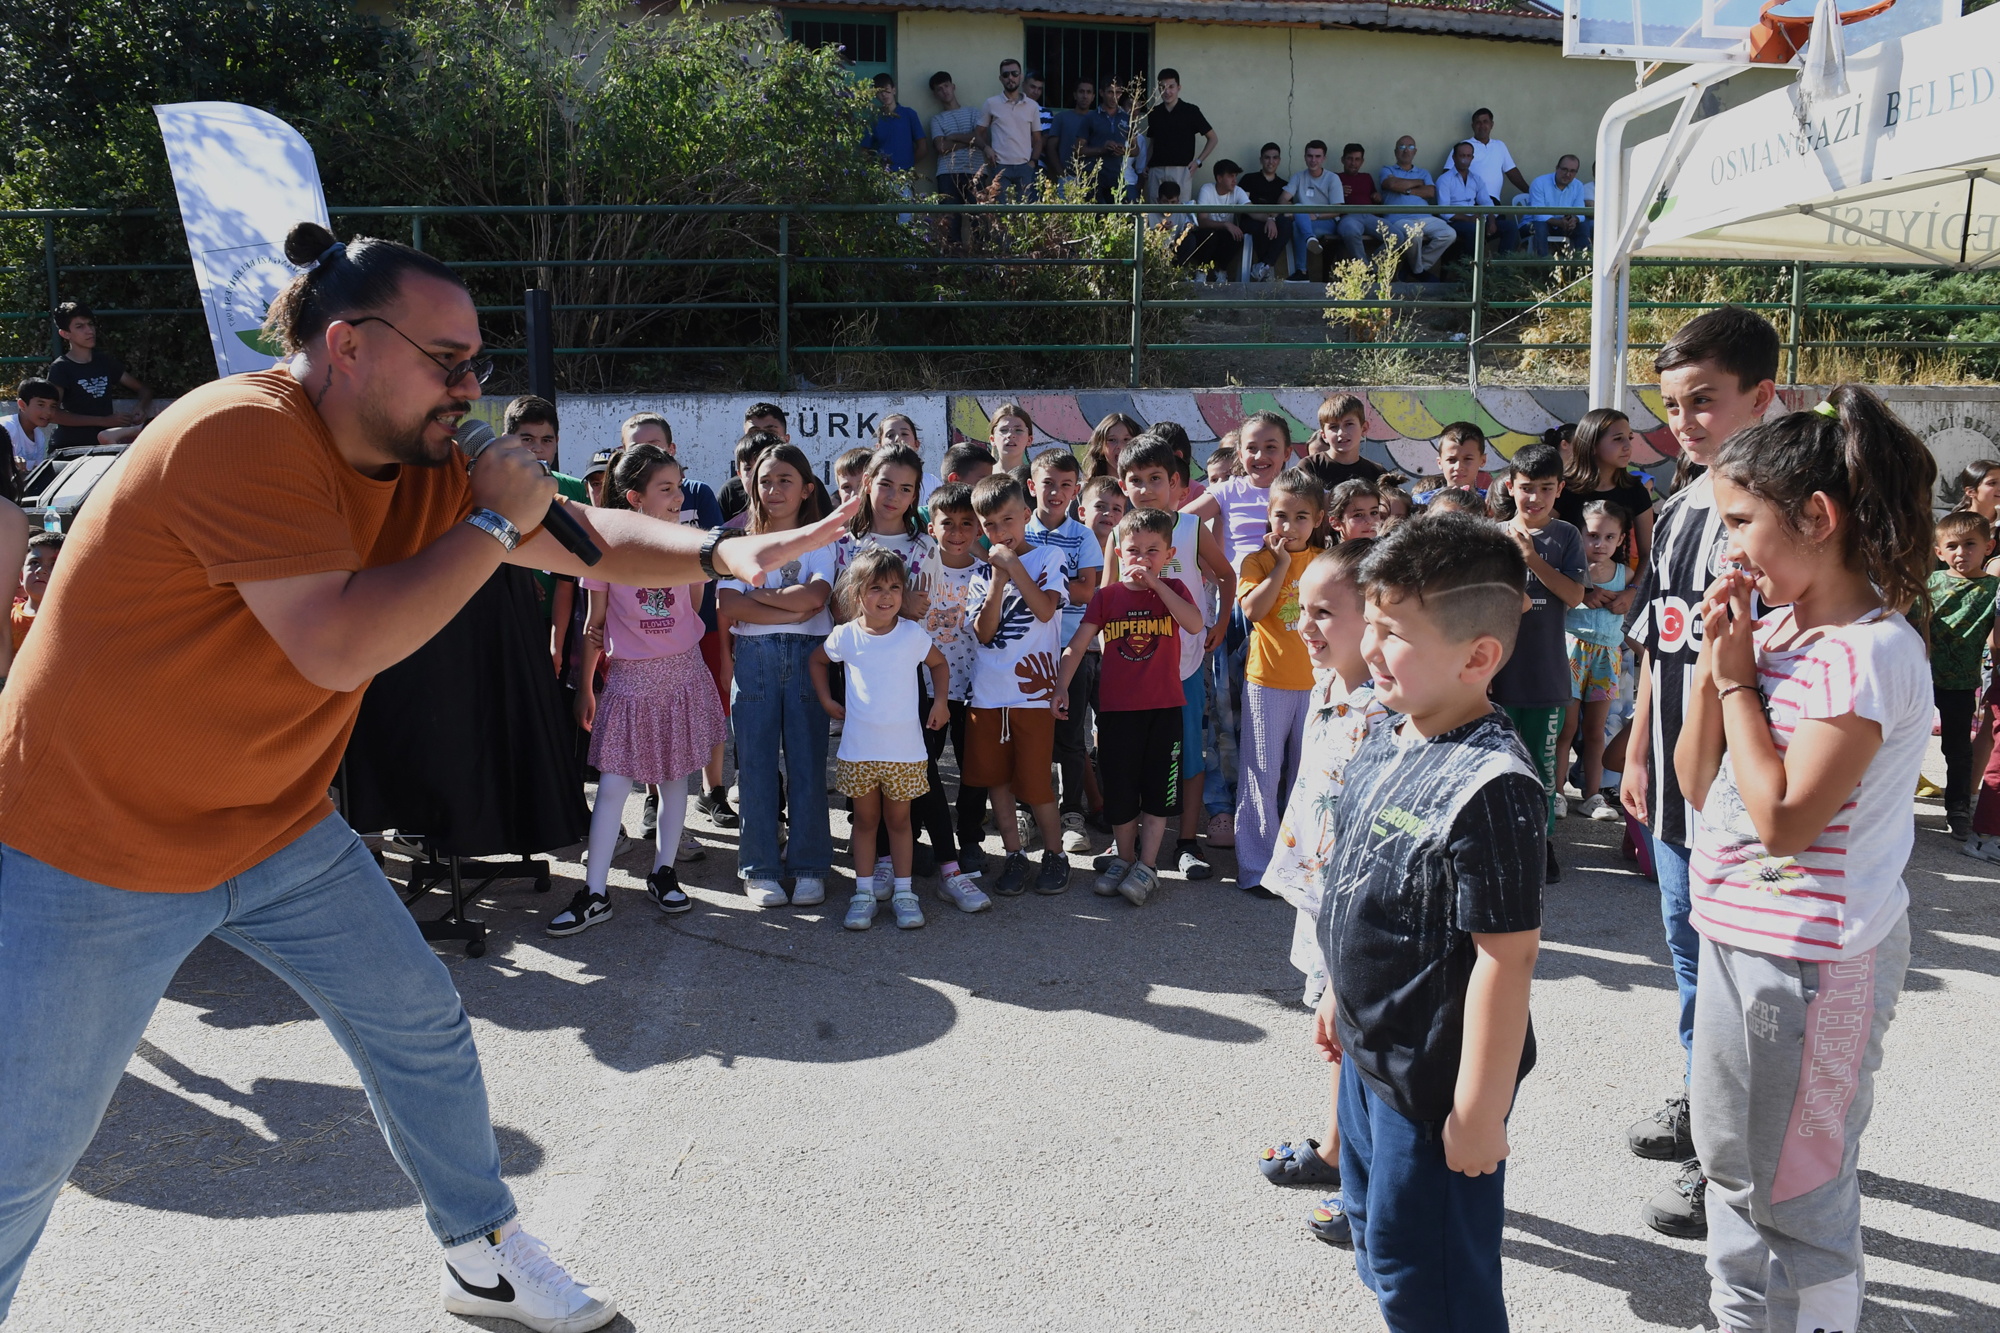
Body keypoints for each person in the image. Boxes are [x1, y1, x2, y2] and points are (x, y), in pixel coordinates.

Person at [0, 220, 856, 1332]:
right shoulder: (237, 434)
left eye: (478, 363)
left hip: (269, 827)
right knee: (29, 1145)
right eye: (447, 360)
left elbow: (576, 531)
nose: (470, 385)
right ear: (348, 344)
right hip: (88, 840)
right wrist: (497, 514)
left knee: (418, 1023)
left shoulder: (423, 457)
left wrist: (716, 554)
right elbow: (341, 643)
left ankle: (481, 1255)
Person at [1673, 387, 1933, 1333]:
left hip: (1815, 964)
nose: (1727, 544)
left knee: (1803, 1185)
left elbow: (1783, 821)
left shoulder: (1868, 655)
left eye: (1739, 521)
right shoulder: (1774, 632)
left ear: (1816, 518)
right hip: (1739, 940)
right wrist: (1716, 664)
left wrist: (1738, 681)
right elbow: (1699, 779)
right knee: (1733, 1167)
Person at [1313, 512, 1543, 1326]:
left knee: (1435, 1279)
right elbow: (1362, 877)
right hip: (1371, 1063)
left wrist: (1478, 1113)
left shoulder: (1495, 785)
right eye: (1369, 623)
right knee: (1381, 1246)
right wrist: (1342, 992)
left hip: (1435, 1090)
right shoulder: (1389, 726)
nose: (1370, 647)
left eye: (1395, 632)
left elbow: (1505, 959)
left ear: (1479, 656)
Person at [1619, 304, 1780, 1240]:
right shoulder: (1678, 508)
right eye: (1673, 403)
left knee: (1740, 985)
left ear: (1765, 396)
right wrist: (1637, 747)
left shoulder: (1793, 520)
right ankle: (1700, 1100)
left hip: (1750, 799)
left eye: (1705, 401)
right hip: (1680, 791)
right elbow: (1658, 642)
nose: (1685, 421)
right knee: (1690, 963)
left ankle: (1729, 1162)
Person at [1254, 539, 1386, 1247]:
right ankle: (1339, 1154)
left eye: (1323, 612)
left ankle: (1364, 1188)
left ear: (1376, 616)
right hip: (1319, 899)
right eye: (1301, 609)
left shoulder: (1378, 711)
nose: (1304, 625)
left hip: (1352, 911)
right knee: (1338, 1044)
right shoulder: (1329, 681)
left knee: (1357, 1045)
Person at [557, 443, 728, 935]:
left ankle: (664, 872)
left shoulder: (689, 545)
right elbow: (594, 626)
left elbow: (693, 611)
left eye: (678, 486)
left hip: (681, 674)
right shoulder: (601, 548)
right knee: (613, 786)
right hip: (629, 681)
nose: (678, 498)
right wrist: (586, 686)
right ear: (635, 497)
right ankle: (594, 892)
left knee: (676, 779)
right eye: (667, 489)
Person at [1053, 506, 1203, 905]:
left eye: (1153, 550)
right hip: (1117, 713)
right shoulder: (1107, 597)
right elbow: (1078, 644)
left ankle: (1148, 866)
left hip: (1164, 709)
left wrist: (1158, 586)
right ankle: (1123, 858)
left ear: (1168, 555)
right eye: (1134, 550)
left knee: (1157, 793)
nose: (1143, 558)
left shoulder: (1175, 593)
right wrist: (1061, 687)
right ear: (1119, 554)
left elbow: (1193, 623)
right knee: (1120, 791)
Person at [718, 440, 840, 910]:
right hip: (754, 659)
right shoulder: (736, 543)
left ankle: (809, 867)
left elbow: (816, 599)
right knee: (755, 768)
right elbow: (728, 605)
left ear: (807, 487)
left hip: (811, 657)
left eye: (784, 480)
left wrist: (761, 599)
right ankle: (760, 868)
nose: (773, 488)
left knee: (809, 765)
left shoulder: (821, 540)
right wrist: (788, 600)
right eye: (764, 480)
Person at [1113, 435, 1234, 878]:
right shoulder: (1121, 537)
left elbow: (1225, 575)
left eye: (1156, 479)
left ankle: (1186, 840)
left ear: (1176, 483)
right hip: (1135, 669)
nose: (1146, 488)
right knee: (1136, 755)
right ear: (1123, 485)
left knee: (1190, 755)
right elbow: (1109, 597)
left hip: (1184, 665)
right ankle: (1127, 839)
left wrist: (1219, 623)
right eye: (1136, 480)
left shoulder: (1189, 528)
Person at [813, 548, 952, 931]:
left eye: (894, 586)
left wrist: (940, 703)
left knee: (900, 822)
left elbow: (939, 664)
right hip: (859, 753)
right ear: (857, 595)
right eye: (876, 588)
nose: (887, 595)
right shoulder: (846, 637)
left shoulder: (911, 634)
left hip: (905, 754)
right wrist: (827, 700)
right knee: (865, 823)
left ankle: (905, 894)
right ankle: (863, 894)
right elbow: (817, 661)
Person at [620, 412, 735, 833]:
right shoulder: (623, 508)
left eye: (655, 443)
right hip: (649, 633)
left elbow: (712, 546)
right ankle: (654, 797)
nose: (646, 450)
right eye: (635, 446)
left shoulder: (700, 493)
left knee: (711, 706)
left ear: (672, 449)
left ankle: (713, 789)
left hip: (699, 622)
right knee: (655, 715)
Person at [965, 473, 1069, 895]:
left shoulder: (1048, 558)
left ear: (1026, 516)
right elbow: (985, 633)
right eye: (989, 526)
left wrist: (1013, 566)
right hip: (989, 696)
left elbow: (1046, 610)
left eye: (1007, 521)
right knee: (998, 783)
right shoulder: (979, 575)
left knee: (1036, 783)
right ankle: (1014, 854)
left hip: (1033, 695)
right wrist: (997, 579)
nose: (999, 532)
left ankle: (1055, 853)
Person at [1488, 442, 1585, 874]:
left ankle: (1541, 843)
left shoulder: (1567, 536)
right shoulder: (1493, 535)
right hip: (1500, 676)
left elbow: (1575, 595)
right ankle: (1502, 840)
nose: (1535, 497)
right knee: (1500, 764)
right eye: (1526, 488)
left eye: (1546, 488)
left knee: (1544, 768)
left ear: (1559, 489)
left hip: (1547, 678)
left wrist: (1532, 560)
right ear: (1511, 486)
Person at [1233, 470, 1328, 896]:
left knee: (1307, 777)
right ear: (1268, 516)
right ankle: (1256, 868)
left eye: (1301, 517)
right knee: (1262, 775)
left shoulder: (1327, 561)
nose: (1289, 527)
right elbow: (1253, 611)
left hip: (1316, 683)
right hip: (1267, 683)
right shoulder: (1257, 561)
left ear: (1319, 518)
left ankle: (1301, 863)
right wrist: (1284, 565)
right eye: (1281, 516)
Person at [917, 482, 998, 891]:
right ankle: (918, 839)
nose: (957, 532)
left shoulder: (987, 570)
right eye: (947, 523)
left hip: (976, 686)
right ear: (932, 526)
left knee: (974, 770)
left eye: (967, 523)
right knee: (923, 766)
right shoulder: (919, 568)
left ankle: (969, 840)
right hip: (928, 687)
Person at [1025, 449, 1105, 850]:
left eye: (1065, 485)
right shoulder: (1019, 531)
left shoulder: (1083, 535)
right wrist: (1057, 585)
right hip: (1025, 652)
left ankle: (1072, 813)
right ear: (1031, 486)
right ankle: (1028, 809)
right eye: (1047, 484)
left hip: (1073, 651)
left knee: (1072, 738)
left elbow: (1087, 591)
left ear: (1076, 491)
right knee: (1030, 735)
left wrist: (1037, 584)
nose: (1055, 492)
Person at [1557, 500, 1635, 823]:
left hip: (1607, 657)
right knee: (1566, 727)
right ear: (1580, 535)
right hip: (1573, 652)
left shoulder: (1626, 575)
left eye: (1609, 537)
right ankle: (1558, 792)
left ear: (1620, 540)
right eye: (1592, 536)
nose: (1599, 544)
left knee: (1596, 730)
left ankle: (1592, 795)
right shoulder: (1571, 572)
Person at [1928, 510, 1996, 841]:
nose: (1960, 553)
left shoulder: (1994, 591)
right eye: (1952, 546)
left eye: (1970, 544)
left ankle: (1958, 807)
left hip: (1961, 682)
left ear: (1988, 547)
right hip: (1920, 679)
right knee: (1903, 742)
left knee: (1957, 749)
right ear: (1939, 552)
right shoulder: (1931, 583)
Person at [1555, 407, 1655, 577]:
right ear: (1592, 445)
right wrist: (1582, 592)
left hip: (1619, 594)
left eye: (1629, 438)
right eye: (1618, 439)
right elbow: (1547, 549)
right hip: (1568, 593)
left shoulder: (1636, 491)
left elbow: (1648, 554)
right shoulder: (1562, 488)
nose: (1627, 446)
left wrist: (1632, 591)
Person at [45, 302, 152, 450]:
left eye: (90, 324)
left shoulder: (104, 362)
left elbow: (144, 390)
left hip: (104, 446)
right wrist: (103, 421)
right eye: (80, 326)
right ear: (65, 334)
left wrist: (141, 407)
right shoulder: (60, 368)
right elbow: (51, 413)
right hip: (70, 448)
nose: (89, 331)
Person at [1377, 137, 1457, 280]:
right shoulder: (1387, 169)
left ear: (1415, 152)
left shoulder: (1424, 173)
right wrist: (1417, 183)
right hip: (1398, 218)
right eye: (1401, 147)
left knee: (1449, 233)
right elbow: (1391, 185)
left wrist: (1405, 189)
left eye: (1410, 147)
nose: (1406, 150)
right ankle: (1419, 271)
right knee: (1414, 234)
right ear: (1395, 152)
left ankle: (1415, 266)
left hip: (1425, 217)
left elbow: (1431, 192)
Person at [928, 71, 987, 247]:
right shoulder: (936, 119)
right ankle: (954, 267)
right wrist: (970, 141)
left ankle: (983, 266)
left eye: (946, 86)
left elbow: (982, 139)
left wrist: (952, 137)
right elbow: (941, 148)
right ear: (935, 94)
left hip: (975, 171)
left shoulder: (973, 113)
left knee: (980, 222)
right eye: (939, 89)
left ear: (953, 87)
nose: (944, 91)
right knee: (950, 224)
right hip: (948, 174)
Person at [1142, 68, 1216, 205]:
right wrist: (1146, 164)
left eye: (1171, 87)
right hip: (1156, 170)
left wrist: (1198, 162)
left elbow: (1213, 138)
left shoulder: (1191, 111)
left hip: (1181, 170)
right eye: (1163, 87)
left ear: (1178, 87)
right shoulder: (1154, 113)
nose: (1167, 91)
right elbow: (1152, 142)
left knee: (1181, 212)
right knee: (1154, 212)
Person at [975, 59, 1042, 201]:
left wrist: (1033, 163)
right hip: (1000, 167)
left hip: (1025, 166)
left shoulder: (1032, 106)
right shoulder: (991, 103)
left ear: (1021, 76)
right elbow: (978, 133)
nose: (1010, 78)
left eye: (1014, 73)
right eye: (1006, 75)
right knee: (1001, 214)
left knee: (1025, 215)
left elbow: (1037, 139)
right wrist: (986, 147)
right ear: (1001, 79)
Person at [1452, 107, 1530, 229]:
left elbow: (1512, 172)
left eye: (1485, 122)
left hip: (1493, 201)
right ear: (1473, 126)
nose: (1482, 126)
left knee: (1507, 228)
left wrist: (1529, 191)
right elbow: (1447, 173)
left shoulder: (1500, 146)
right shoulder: (1463, 147)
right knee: (1476, 233)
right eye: (1478, 122)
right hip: (1470, 201)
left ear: (1492, 124)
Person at [1438, 140, 1514, 264]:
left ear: (1472, 158)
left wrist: (1492, 221)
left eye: (1468, 156)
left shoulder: (1476, 179)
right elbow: (1444, 212)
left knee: (1509, 227)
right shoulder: (1445, 180)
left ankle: (1503, 267)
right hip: (1455, 222)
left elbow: (1487, 203)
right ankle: (1470, 270)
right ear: (1454, 157)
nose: (1465, 159)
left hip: (1475, 221)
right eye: (1462, 156)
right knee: (1474, 229)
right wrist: (1468, 219)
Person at [1178, 159, 1249, 283]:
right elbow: (1202, 221)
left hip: (1223, 236)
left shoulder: (1237, 191)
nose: (1234, 180)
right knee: (1209, 236)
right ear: (1219, 178)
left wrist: (1270, 218)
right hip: (1205, 236)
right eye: (1230, 176)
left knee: (1237, 236)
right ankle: (1201, 272)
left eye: (1235, 176)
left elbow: (1251, 209)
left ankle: (1221, 271)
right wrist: (1226, 224)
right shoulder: (1207, 189)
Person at [1281, 140, 1343, 282]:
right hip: (1304, 221)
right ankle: (1310, 238)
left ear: (1323, 158)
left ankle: (1302, 272)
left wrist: (1316, 215)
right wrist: (1290, 212)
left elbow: (1337, 210)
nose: (1313, 160)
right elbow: (1283, 199)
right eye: (1310, 156)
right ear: (1305, 157)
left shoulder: (1332, 178)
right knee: (1298, 216)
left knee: (1299, 218)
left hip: (1326, 222)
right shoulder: (1298, 176)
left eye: (1317, 156)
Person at [718, 402, 791, 519]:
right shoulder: (731, 492)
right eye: (754, 433)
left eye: (771, 433)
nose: (762, 439)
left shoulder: (805, 484)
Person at [1307, 395, 1385, 485]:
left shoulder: (1378, 474)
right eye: (1333, 427)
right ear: (1324, 435)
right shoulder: (1310, 467)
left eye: (1349, 424)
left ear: (1364, 428)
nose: (1341, 432)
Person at [861, 73, 930, 174]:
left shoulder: (909, 114)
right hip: (882, 177)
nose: (884, 94)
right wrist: (875, 170)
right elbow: (863, 151)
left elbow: (923, 148)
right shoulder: (874, 119)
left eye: (886, 89)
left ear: (894, 90)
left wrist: (907, 166)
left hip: (905, 177)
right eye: (879, 92)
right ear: (875, 95)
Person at [1526, 155, 1592, 256]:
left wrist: (1574, 220)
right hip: (1534, 225)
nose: (1568, 174)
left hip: (1562, 226)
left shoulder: (1578, 185)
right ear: (1557, 168)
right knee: (1540, 226)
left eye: (1572, 171)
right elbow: (1538, 214)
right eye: (1564, 169)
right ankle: (1542, 266)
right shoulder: (1539, 182)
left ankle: (1584, 265)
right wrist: (1559, 223)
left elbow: (1581, 213)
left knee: (1583, 226)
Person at [1242, 142, 1289, 280]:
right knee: (1260, 228)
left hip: (1274, 222)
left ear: (1279, 160)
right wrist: (1268, 219)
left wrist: (1272, 219)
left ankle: (1264, 265)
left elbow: (1287, 208)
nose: (1271, 161)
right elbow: (1245, 206)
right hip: (1251, 221)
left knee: (1286, 223)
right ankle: (1265, 268)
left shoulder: (1284, 185)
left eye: (1275, 158)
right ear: (1261, 160)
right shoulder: (1248, 179)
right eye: (1267, 157)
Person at [1413, 422, 1489, 504]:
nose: (1458, 467)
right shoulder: (1422, 503)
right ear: (1440, 463)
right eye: (1451, 459)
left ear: (1483, 461)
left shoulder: (1492, 502)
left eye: (1468, 459)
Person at [10, 532, 61, 655]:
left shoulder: (77, 618)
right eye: (34, 562)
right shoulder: (7, 619)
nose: (41, 570)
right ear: (21, 576)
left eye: (54, 564)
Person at [1333, 143, 1384, 263]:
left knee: (1398, 236)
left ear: (1362, 161)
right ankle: (1363, 270)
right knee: (1351, 232)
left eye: (1357, 159)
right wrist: (1337, 191)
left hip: (1370, 217)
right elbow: (1325, 200)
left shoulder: (1367, 177)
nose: (1353, 163)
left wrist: (1377, 197)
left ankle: (1373, 268)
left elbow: (1375, 197)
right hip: (1348, 217)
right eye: (1350, 158)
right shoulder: (1334, 178)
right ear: (1343, 160)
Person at [2, 379, 58, 478]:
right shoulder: (5, 428)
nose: (49, 412)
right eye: (41, 405)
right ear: (22, 405)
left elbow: (36, 474)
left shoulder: (39, 436)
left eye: (53, 406)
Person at [1083, 411, 1142, 481]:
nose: (1120, 446)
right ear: (1100, 446)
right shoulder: (1088, 490)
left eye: (1126, 439)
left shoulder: (1145, 488)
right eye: (1112, 440)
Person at [989, 400, 1036, 479]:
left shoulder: (1036, 478)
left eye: (1018, 430)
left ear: (1029, 440)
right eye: (1003, 430)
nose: (1011, 435)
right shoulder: (981, 476)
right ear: (992, 439)